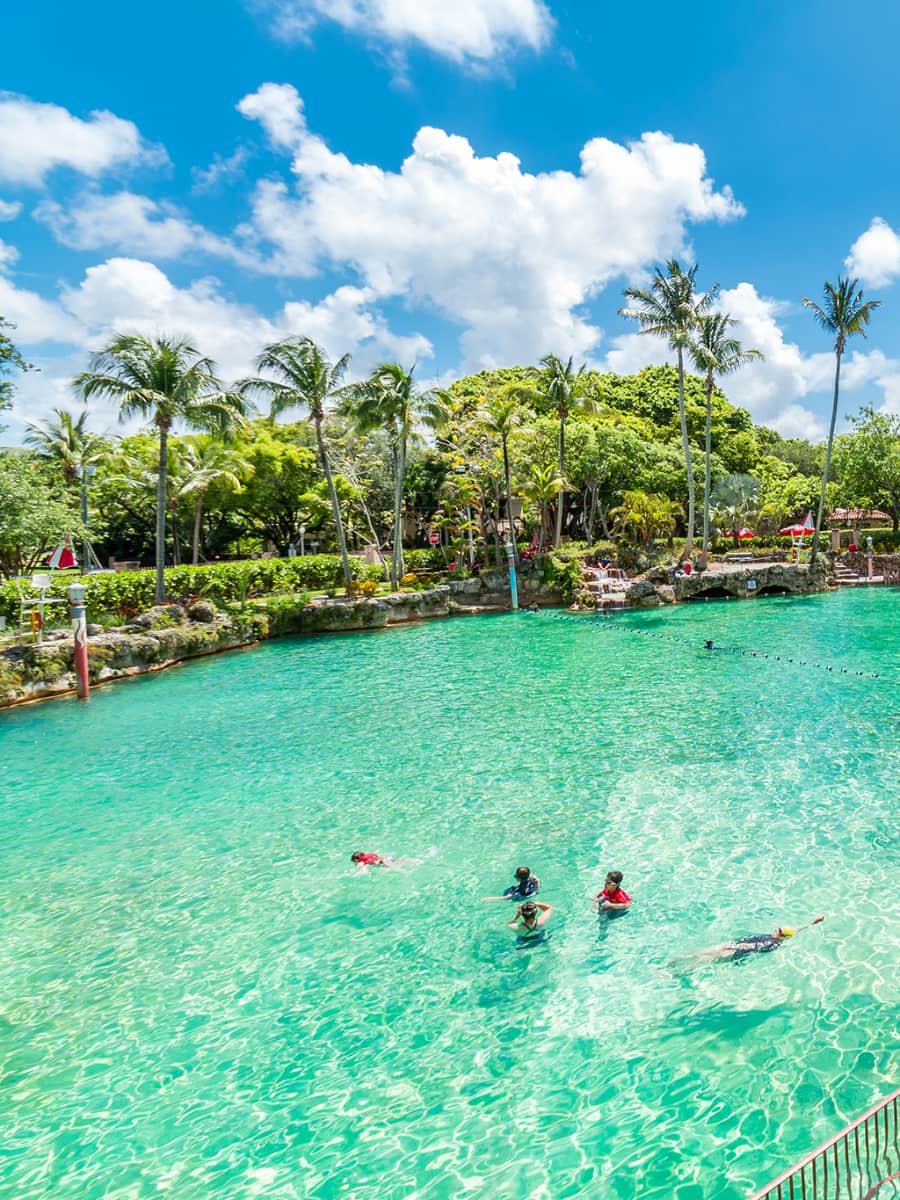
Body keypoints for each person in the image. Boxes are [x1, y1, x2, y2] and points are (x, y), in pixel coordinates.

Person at [688, 915, 825, 966]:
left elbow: (755, 947)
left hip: (734, 952)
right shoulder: (779, 937)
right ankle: (676, 961)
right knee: (701, 953)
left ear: (782, 936)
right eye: (778, 928)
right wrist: (813, 922)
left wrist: (735, 947)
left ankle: (684, 970)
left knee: (704, 960)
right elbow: (797, 930)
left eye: (779, 931)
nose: (776, 930)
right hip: (734, 945)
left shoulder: (772, 943)